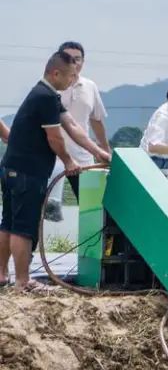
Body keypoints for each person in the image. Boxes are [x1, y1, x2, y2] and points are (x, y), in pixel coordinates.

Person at [1, 52, 111, 291]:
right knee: (23, 227)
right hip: (27, 171)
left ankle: (2, 275)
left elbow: (72, 126)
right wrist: (69, 161)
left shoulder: (48, 95)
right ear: (55, 73)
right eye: (71, 76)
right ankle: (22, 281)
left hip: (14, 167)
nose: (73, 80)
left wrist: (100, 152)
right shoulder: (45, 97)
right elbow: (55, 137)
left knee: (9, 223)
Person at [45, 41, 110, 207]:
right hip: (53, 155)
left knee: (91, 205)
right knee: (48, 208)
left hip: (82, 156)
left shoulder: (90, 86)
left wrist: (103, 149)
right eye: (69, 58)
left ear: (83, 61)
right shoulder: (52, 86)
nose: (74, 62)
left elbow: (96, 120)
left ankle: (92, 234)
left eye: (78, 58)